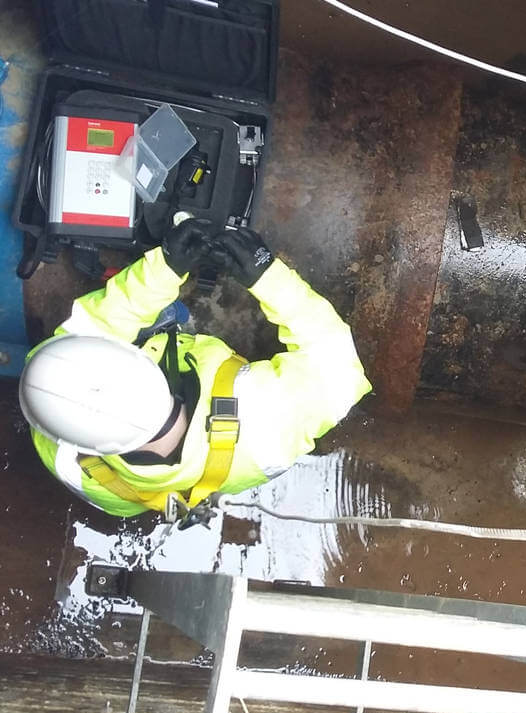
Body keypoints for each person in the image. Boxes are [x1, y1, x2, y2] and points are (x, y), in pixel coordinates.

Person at [18, 220, 371, 518]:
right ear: (144, 362)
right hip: (248, 441)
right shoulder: (266, 415)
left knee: (141, 316)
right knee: (168, 316)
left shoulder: (61, 446)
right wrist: (267, 276)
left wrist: (163, 270)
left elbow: (88, 332)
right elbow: (340, 368)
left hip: (142, 493)